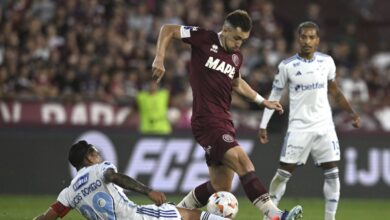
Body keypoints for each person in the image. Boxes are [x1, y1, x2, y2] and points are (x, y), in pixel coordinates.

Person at [152, 9, 303, 220]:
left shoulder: (236, 57)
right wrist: (160, 59)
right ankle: (275, 215)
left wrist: (262, 101)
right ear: (224, 30)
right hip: (207, 121)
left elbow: (237, 83)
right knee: (243, 162)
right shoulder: (203, 38)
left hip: (224, 120)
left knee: (220, 186)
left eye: (243, 40)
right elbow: (168, 30)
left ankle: (173, 213)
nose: (239, 43)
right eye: (237, 38)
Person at [259, 21, 361, 220]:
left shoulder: (327, 62)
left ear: (317, 40)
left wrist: (352, 113)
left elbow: (335, 91)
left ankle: (329, 218)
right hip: (299, 128)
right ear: (299, 39)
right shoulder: (286, 66)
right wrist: (264, 124)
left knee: (332, 174)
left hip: (325, 127)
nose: (307, 41)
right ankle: (269, 215)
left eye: (311, 37)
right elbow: (274, 95)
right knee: (282, 174)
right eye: (304, 37)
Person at [33, 140, 232, 220]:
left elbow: (48, 217)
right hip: (136, 217)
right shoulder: (100, 169)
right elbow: (115, 177)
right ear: (88, 158)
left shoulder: (69, 192)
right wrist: (148, 191)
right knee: (189, 216)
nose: (99, 155)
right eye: (95, 152)